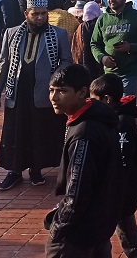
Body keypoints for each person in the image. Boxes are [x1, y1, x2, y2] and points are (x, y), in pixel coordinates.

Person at [0, 0, 72, 191]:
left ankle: (36, 169)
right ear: (26, 14)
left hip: (44, 94)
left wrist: (55, 80)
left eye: (43, 14)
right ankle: (15, 171)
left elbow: (67, 61)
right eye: (35, 14)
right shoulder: (11, 33)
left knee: (39, 131)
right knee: (16, 132)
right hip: (17, 93)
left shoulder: (58, 34)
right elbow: (3, 63)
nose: (40, 18)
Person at [45, 65, 122, 257]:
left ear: (82, 93)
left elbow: (78, 190)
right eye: (51, 90)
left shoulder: (84, 133)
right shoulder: (98, 119)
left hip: (78, 234)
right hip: (99, 226)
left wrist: (59, 228)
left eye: (62, 91)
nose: (54, 97)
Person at [89, 74, 137, 258]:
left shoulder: (122, 123)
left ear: (107, 99)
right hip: (116, 193)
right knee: (126, 236)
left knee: (127, 238)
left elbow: (122, 163)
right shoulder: (115, 118)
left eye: (95, 99)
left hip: (118, 194)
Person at [91, 0, 137, 98]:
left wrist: (131, 47)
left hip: (130, 72)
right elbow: (94, 44)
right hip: (109, 73)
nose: (111, 0)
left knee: (125, 107)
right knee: (110, 106)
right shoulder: (103, 19)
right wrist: (102, 58)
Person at [71, 1, 104, 81]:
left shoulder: (80, 27)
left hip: (82, 66)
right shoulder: (100, 25)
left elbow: (75, 47)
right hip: (99, 65)